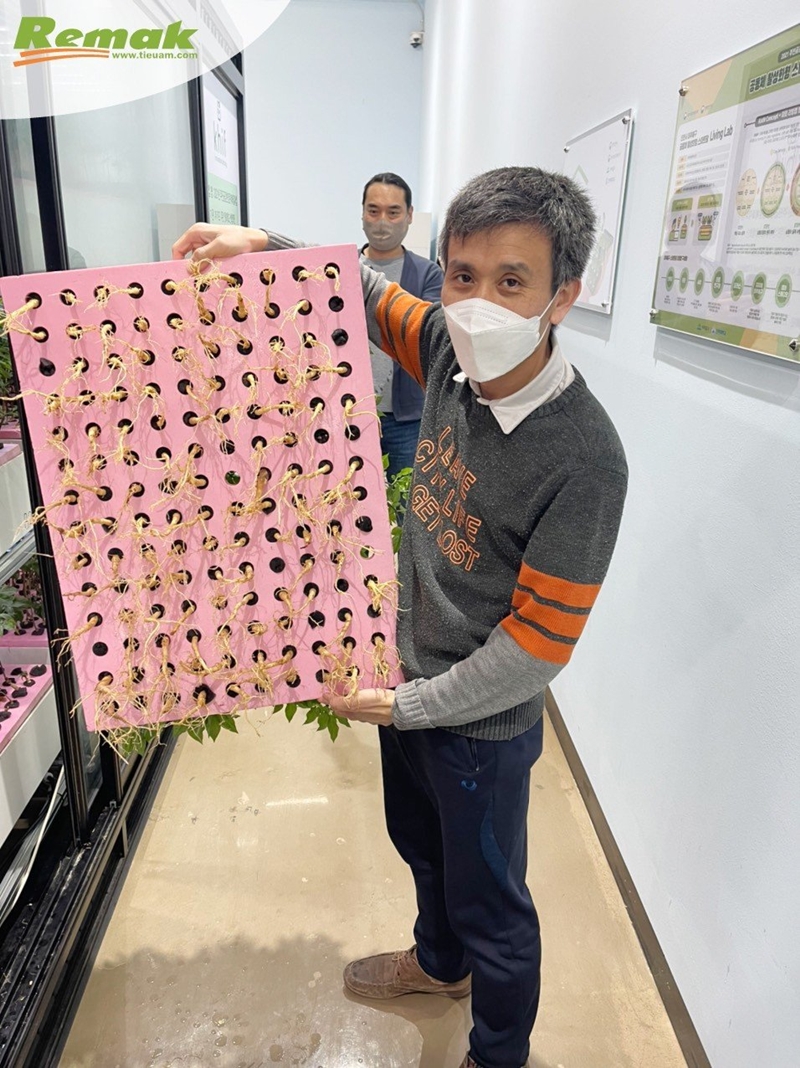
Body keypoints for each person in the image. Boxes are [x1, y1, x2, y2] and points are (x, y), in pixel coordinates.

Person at [172, 166, 628, 1068]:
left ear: (563, 296)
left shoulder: (585, 459)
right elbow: (362, 291)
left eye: (512, 281)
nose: (479, 303)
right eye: (463, 275)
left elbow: (538, 646)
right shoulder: (450, 355)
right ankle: (438, 966)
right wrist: (262, 244)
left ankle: (497, 1053)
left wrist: (410, 706)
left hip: (478, 730)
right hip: (405, 684)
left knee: (494, 909)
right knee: (420, 849)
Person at [360, 172, 443, 482]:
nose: (382, 222)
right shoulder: (340, 269)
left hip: (405, 420)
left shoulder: (428, 274)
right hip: (351, 413)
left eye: (393, 212)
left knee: (405, 495)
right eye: (373, 210)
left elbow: (427, 338)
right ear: (362, 213)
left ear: (409, 216)